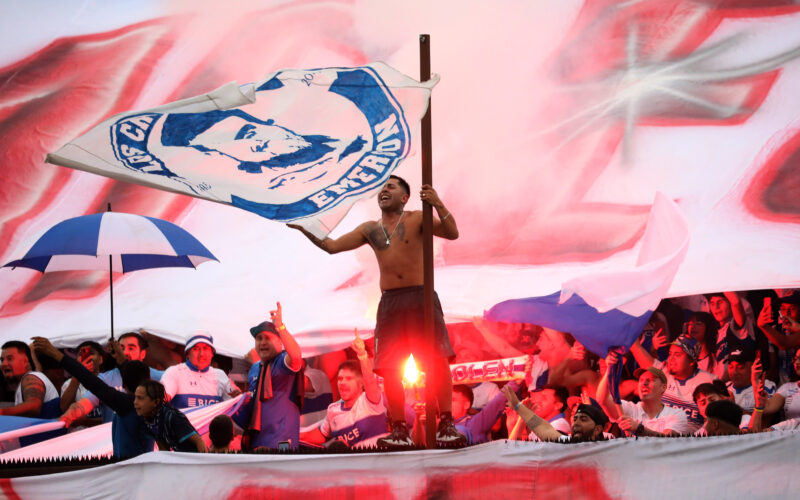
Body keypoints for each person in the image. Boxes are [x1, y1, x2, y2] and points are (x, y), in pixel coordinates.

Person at [289, 175, 465, 448]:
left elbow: (452, 233)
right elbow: (332, 246)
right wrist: (306, 227)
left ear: (405, 197)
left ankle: (446, 422)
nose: (384, 190)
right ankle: (399, 430)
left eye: (391, 187)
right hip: (391, 303)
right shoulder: (370, 229)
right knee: (390, 368)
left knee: (436, 360)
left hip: (420, 297)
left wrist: (438, 203)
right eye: (383, 188)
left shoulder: (418, 217)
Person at [31, 337, 155, 458]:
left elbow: (88, 379)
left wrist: (54, 352)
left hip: (128, 470)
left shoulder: (126, 403)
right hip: (148, 466)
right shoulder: (157, 404)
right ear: (149, 378)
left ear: (123, 385)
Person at [300, 331, 388, 449]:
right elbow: (321, 434)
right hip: (349, 466)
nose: (342, 382)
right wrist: (291, 435)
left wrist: (362, 355)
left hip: (376, 465)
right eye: (340, 378)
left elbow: (370, 381)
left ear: (361, 382)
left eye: (348, 378)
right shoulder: (333, 409)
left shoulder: (370, 401)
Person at [235, 302, 304, 450]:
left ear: (280, 341)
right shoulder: (254, 368)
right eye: (259, 338)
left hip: (281, 444)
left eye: (268, 338)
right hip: (256, 444)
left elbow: (297, 356)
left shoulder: (282, 361)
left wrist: (280, 327)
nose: (263, 342)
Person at [61, 331, 163, 427]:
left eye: (131, 348)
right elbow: (85, 403)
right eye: (121, 348)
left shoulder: (157, 377)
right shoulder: (105, 378)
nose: (125, 353)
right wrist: (67, 417)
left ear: (143, 354)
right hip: (111, 441)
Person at [629, 334, 716, 431]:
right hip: (654, 438)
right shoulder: (662, 372)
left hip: (688, 443)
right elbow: (636, 348)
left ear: (692, 361)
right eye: (670, 353)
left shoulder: (709, 381)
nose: (671, 359)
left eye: (677, 355)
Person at [596, 352, 692, 436]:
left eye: (650, 380)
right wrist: (609, 370)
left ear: (663, 387)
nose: (644, 383)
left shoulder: (676, 414)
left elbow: (667, 441)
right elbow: (602, 400)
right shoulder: (630, 409)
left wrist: (639, 429)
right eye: (641, 380)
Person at [503, 384, 609, 442]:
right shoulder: (566, 440)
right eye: (574, 415)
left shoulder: (608, 440)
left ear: (598, 428)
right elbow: (515, 450)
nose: (575, 420)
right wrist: (519, 419)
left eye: (584, 417)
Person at [160, 332, 235, 409]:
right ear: (187, 353)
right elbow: (162, 399)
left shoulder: (220, 375)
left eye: (205, 348)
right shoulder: (175, 372)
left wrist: (237, 398)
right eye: (195, 349)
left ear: (212, 353)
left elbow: (232, 407)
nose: (201, 354)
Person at [134, 380, 207, 452]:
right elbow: (163, 449)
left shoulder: (173, 417)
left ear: (156, 402)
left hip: (195, 458)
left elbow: (198, 441)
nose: (135, 402)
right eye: (135, 397)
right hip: (181, 459)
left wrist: (203, 461)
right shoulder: (147, 420)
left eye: (140, 398)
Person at [0, 341, 59, 418]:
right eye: (2, 360)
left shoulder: (30, 377)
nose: (4, 364)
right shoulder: (26, 380)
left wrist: (2, 412)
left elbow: (34, 406)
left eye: (9, 358)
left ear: (25, 362)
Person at [59, 341, 105, 428]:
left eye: (91, 353)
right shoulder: (69, 383)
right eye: (82, 354)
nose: (87, 357)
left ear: (100, 359)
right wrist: (78, 375)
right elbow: (64, 408)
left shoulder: (110, 381)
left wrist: (86, 422)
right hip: (78, 436)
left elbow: (112, 418)